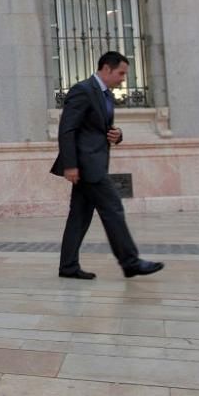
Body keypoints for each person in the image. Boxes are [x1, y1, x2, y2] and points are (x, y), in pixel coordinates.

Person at [51, 51, 164, 280]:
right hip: (87, 165)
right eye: (121, 73)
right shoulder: (82, 90)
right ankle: (130, 262)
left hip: (95, 163)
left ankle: (68, 266)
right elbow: (67, 130)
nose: (123, 78)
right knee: (113, 209)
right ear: (106, 69)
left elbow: (100, 129)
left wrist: (117, 135)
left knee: (79, 216)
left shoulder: (106, 95)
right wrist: (70, 165)